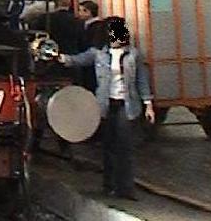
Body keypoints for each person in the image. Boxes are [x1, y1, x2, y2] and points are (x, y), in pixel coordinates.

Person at [55, 18, 153, 200]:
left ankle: (126, 188)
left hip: (127, 104)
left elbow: (141, 79)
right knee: (108, 147)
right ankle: (109, 185)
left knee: (125, 147)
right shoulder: (98, 54)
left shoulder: (134, 55)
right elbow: (77, 60)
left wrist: (148, 104)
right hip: (105, 105)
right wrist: (59, 57)